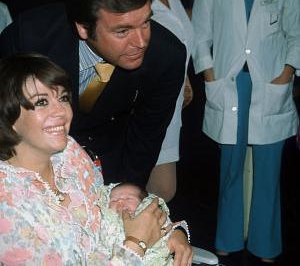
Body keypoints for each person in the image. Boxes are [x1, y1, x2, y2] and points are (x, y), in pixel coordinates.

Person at [0, 0, 186, 191]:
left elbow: (145, 140)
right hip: (28, 160)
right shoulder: (29, 37)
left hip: (110, 158)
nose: (141, 42)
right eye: (122, 31)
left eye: (145, 23)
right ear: (83, 28)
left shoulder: (167, 56)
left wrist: (122, 196)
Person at [0, 52, 192, 265]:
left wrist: (171, 232)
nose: (62, 112)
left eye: (63, 98)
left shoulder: (68, 154)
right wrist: (136, 243)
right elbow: (133, 238)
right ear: (8, 118)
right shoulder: (6, 205)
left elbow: (114, 209)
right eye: (42, 101)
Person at [192, 0, 300, 263]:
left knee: (268, 171)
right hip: (229, 84)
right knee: (231, 167)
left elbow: (296, 32)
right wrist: (210, 74)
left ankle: (265, 243)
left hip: (270, 84)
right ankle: (227, 237)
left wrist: (287, 72)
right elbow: (199, 34)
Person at [138, 0, 194, 202]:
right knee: (159, 189)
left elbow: (180, 37)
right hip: (148, 104)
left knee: (161, 192)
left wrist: (185, 78)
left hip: (172, 102)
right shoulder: (134, 0)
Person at [99, 182, 190, 265]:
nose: (120, 202)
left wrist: (178, 232)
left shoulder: (150, 216)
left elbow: (171, 226)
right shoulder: (106, 220)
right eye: (113, 200)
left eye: (128, 199)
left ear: (144, 203)